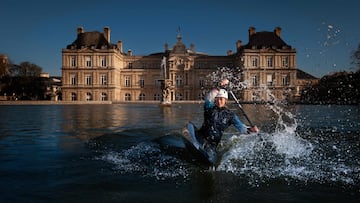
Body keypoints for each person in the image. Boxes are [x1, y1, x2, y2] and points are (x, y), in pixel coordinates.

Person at [197, 88, 259, 152]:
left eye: (221, 99)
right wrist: (220, 86)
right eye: (217, 99)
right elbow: (210, 95)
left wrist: (250, 130)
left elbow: (241, 127)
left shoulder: (230, 115)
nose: (219, 101)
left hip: (213, 143)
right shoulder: (209, 107)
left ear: (225, 100)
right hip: (202, 136)